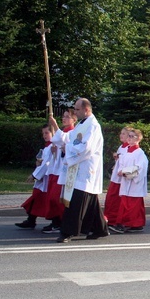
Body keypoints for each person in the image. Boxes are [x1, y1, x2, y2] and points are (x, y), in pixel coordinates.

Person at [49, 98, 109, 243]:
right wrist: (55, 127)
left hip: (85, 169)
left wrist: (68, 149)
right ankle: (99, 229)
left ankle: (67, 232)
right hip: (77, 167)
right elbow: (68, 139)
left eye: (77, 109)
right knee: (90, 201)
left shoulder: (93, 126)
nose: (75, 112)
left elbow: (86, 148)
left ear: (86, 110)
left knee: (76, 202)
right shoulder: (82, 125)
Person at [15, 125, 55, 229]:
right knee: (36, 198)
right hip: (42, 179)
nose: (44, 135)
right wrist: (37, 165)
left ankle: (55, 221)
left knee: (42, 199)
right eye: (43, 133)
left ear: (53, 133)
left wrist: (34, 175)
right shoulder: (47, 147)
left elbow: (47, 164)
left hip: (46, 178)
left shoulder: (52, 147)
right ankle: (31, 220)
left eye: (47, 133)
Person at [43, 108, 76, 234]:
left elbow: (65, 142)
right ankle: (56, 221)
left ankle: (61, 222)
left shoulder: (72, 132)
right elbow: (57, 141)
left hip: (65, 170)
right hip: (56, 169)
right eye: (64, 116)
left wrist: (55, 125)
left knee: (57, 198)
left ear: (74, 119)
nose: (64, 118)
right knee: (52, 197)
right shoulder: (64, 131)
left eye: (67, 116)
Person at [112, 128, 149, 233]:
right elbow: (121, 164)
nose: (129, 138)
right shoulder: (126, 151)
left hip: (134, 183)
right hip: (126, 181)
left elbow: (140, 168)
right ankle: (124, 223)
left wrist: (125, 172)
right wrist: (120, 171)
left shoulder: (140, 153)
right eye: (129, 136)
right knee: (125, 203)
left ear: (138, 139)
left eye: (132, 136)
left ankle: (135, 224)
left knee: (133, 205)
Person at [103, 127, 130, 227]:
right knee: (111, 197)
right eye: (121, 133)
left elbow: (128, 160)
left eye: (124, 134)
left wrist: (119, 157)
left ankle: (115, 219)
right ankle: (109, 217)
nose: (121, 135)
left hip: (121, 178)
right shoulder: (121, 147)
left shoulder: (129, 148)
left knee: (116, 199)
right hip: (116, 176)